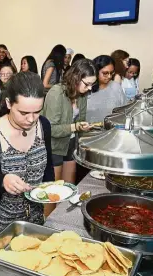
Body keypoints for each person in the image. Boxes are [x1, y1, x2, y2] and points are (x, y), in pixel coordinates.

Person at [0, 71, 54, 244]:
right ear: (9, 103)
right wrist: (2, 181)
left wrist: (50, 191)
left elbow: (48, 168)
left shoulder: (44, 126)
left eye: (37, 112)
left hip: (35, 219)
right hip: (2, 224)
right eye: (24, 113)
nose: (31, 119)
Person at [41, 59, 96, 215]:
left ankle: (63, 221)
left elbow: (81, 120)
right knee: (53, 193)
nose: (89, 88)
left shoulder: (82, 95)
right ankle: (49, 224)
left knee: (68, 190)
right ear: (76, 78)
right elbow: (50, 128)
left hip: (71, 144)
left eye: (92, 84)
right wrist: (75, 126)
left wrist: (85, 129)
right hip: (54, 146)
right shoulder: (56, 93)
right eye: (87, 84)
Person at [86, 55, 127, 123]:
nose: (109, 76)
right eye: (105, 73)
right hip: (89, 131)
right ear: (95, 71)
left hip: (111, 130)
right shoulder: (86, 88)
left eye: (111, 72)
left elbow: (124, 110)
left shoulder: (116, 87)